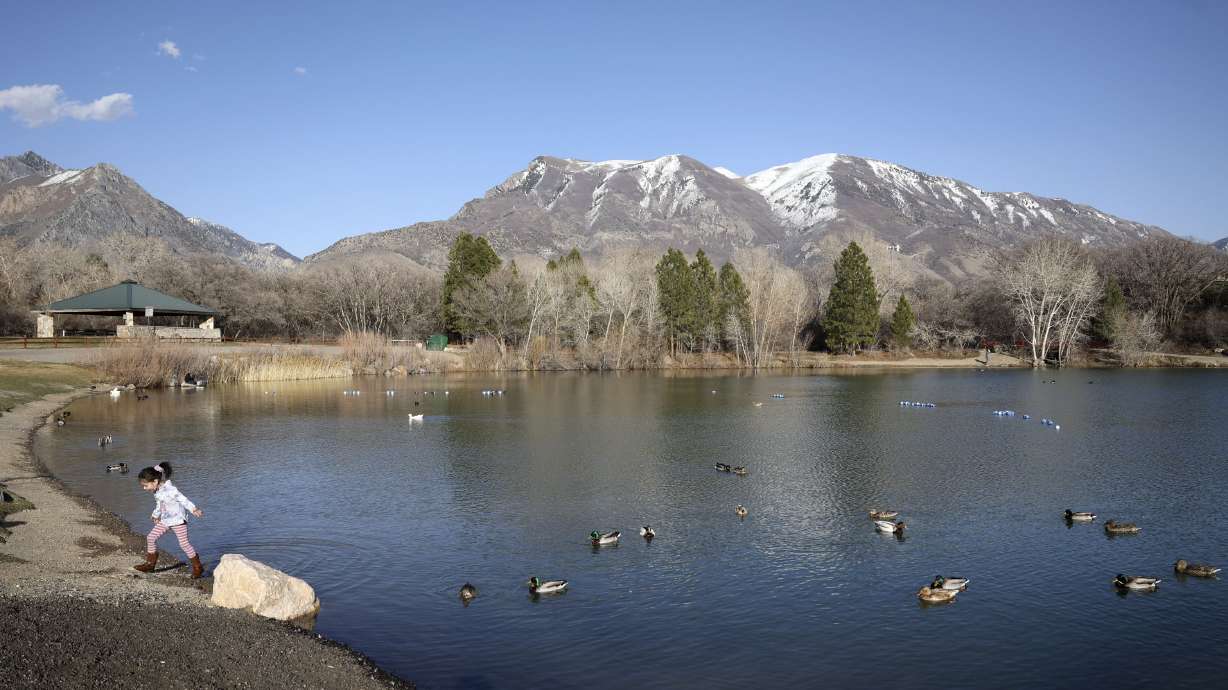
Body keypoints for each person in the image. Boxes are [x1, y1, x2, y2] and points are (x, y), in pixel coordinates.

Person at [133, 463, 205, 578]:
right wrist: (155, 515)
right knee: (151, 537)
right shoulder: (157, 492)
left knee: (184, 544)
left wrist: (194, 509)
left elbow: (183, 499)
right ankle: (150, 564)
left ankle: (198, 567)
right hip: (166, 520)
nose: (144, 488)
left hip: (178, 520)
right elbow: (159, 504)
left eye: (146, 485)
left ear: (155, 481)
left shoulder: (171, 489)